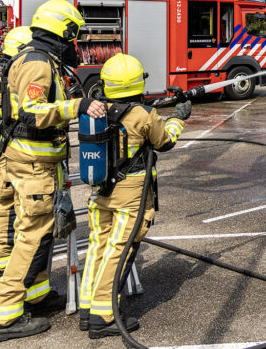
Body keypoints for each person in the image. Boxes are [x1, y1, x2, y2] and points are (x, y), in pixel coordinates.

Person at [0, 0, 106, 343]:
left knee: (40, 234)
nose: (74, 42)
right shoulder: (38, 63)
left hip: (35, 161)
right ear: (62, 31)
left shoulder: (36, 57)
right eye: (73, 34)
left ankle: (35, 294)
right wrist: (78, 105)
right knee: (30, 236)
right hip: (33, 163)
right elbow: (31, 112)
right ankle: (4, 313)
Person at [77, 53, 188, 339]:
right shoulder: (142, 114)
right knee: (121, 249)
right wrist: (178, 118)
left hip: (101, 188)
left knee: (99, 245)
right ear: (138, 82)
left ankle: (88, 307)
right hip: (130, 193)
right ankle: (104, 315)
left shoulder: (99, 108)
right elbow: (164, 142)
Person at [0, 26, 33, 282]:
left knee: (2, 202)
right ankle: (4, 261)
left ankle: (0, 257)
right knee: (10, 204)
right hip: (10, 150)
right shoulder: (13, 77)